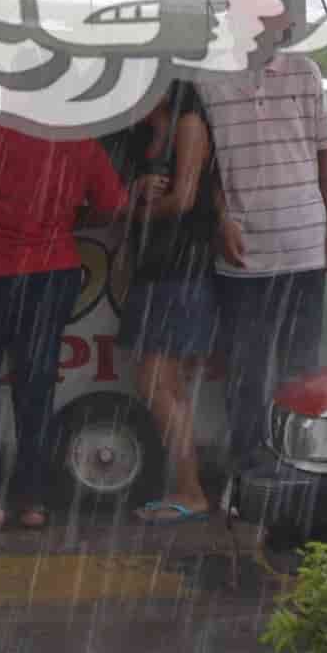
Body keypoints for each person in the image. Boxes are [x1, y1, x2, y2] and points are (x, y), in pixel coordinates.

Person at [0, 115, 128, 531]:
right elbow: (112, 206)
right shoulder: (78, 134)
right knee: (36, 385)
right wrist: (64, 221)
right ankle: (33, 500)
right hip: (53, 270)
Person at [206, 0, 327, 480]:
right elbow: (207, 167)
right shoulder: (209, 82)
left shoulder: (305, 73)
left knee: (300, 362)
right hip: (244, 254)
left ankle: (299, 456)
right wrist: (221, 218)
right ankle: (248, 460)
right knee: (245, 366)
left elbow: (325, 158)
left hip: (305, 246)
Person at [118, 81, 222, 524]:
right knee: (167, 386)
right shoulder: (145, 132)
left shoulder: (188, 123)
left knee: (156, 383)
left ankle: (189, 489)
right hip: (156, 270)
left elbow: (183, 199)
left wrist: (136, 212)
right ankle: (187, 487)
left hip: (179, 268)